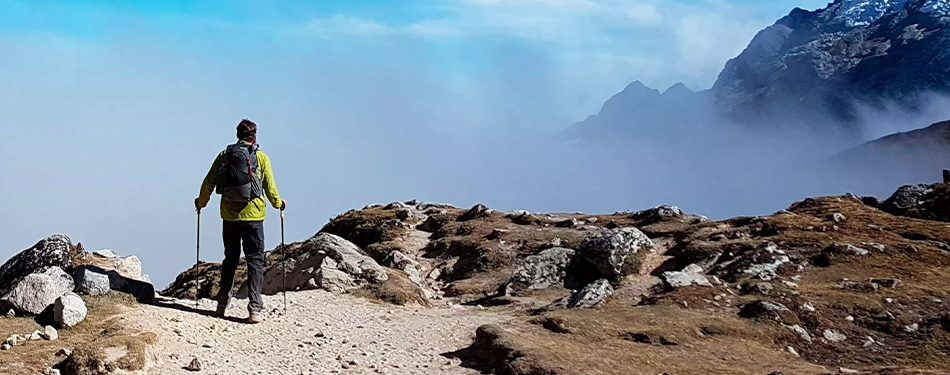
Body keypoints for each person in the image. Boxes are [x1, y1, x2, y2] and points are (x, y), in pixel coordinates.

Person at [195, 119, 285, 323]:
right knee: (255, 260)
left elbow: (209, 181)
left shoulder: (225, 155)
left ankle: (221, 305)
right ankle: (254, 309)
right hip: (254, 217)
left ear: (237, 135)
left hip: (229, 216)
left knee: (230, 259)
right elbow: (270, 188)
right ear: (254, 136)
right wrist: (279, 204)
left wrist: (201, 203)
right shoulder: (260, 157)